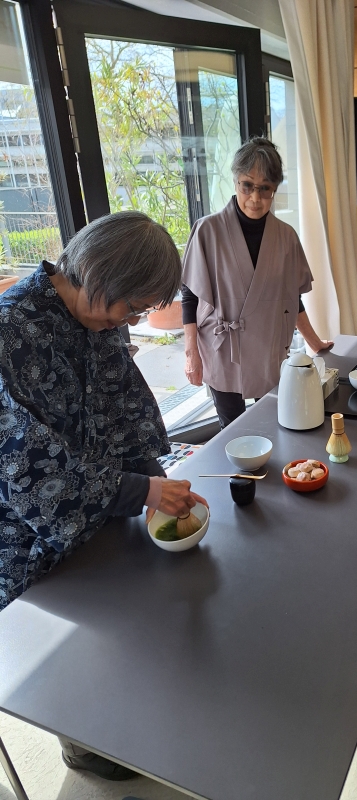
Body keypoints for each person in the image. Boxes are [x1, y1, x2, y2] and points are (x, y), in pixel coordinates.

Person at [0, 211, 208, 781]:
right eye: (133, 306)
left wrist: (151, 483)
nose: (135, 319)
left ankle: (120, 718)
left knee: (123, 616)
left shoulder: (98, 321)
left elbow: (124, 410)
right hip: (24, 533)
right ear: (100, 276)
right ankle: (83, 743)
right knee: (66, 644)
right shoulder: (11, 331)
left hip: (99, 505)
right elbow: (25, 469)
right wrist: (138, 489)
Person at [181, 136, 333, 428]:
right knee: (233, 429)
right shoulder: (207, 230)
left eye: (265, 189)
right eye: (247, 185)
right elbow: (190, 294)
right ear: (236, 181)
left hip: (268, 347)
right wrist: (192, 354)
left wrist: (315, 343)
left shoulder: (286, 237)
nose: (255, 198)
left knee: (272, 423)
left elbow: (292, 298)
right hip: (221, 346)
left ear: (275, 189)